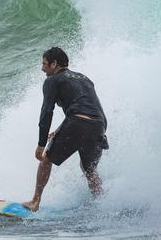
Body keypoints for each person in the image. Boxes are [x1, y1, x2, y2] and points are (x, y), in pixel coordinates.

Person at [22, 47, 109, 212]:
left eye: (44, 64)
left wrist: (41, 144)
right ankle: (103, 204)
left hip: (77, 122)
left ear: (54, 64)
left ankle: (35, 202)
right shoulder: (84, 78)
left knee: (46, 159)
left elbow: (47, 112)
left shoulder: (52, 80)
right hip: (99, 125)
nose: (42, 69)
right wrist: (61, 129)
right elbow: (87, 108)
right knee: (89, 170)